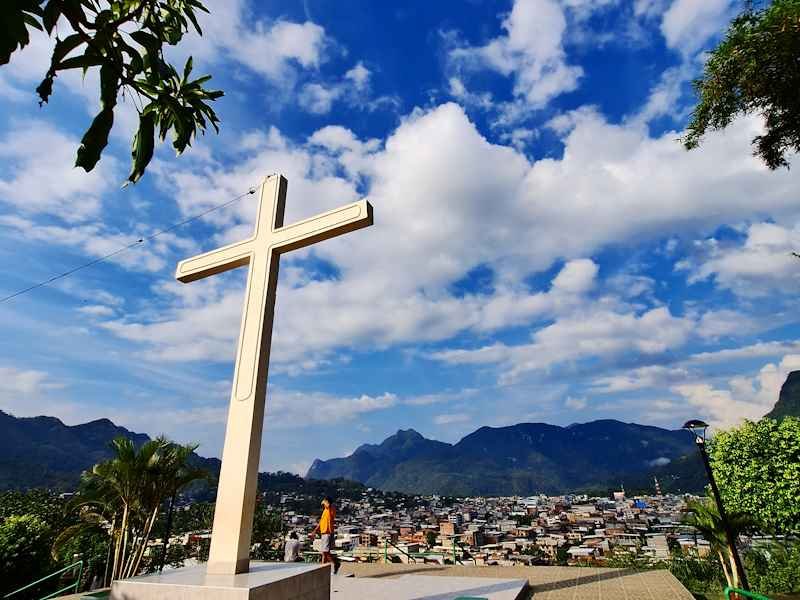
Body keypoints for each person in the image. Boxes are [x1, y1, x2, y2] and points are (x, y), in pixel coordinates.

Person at [309, 496, 340, 573]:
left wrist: (324, 502)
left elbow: (328, 505)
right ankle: (323, 568)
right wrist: (315, 530)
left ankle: (335, 563)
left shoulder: (330, 509)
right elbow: (321, 522)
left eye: (325, 501)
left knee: (325, 552)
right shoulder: (325, 511)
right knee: (325, 552)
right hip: (324, 532)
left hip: (328, 532)